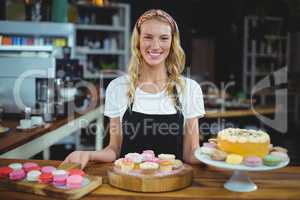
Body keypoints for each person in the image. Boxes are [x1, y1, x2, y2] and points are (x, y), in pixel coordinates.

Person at [63, 9, 205, 169]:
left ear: (172, 43)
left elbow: (191, 153)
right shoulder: (117, 88)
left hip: (172, 186)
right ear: (138, 41)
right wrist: (88, 154)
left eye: (164, 38)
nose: (155, 45)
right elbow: (114, 149)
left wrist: (219, 155)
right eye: (148, 37)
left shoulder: (189, 89)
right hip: (128, 183)